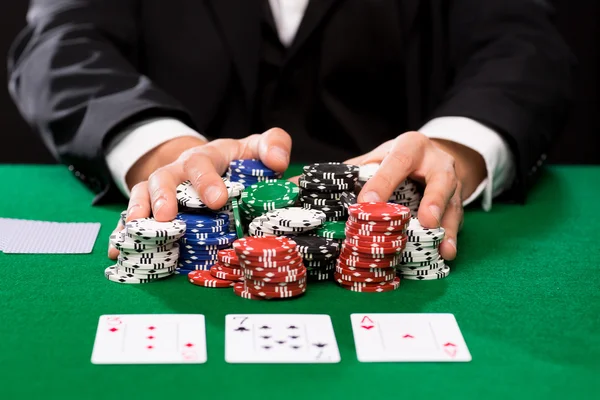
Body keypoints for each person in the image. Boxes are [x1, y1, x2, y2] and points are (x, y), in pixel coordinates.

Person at [8, 0, 574, 261]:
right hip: (191, 206)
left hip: (384, 215)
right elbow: (58, 46)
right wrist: (166, 149)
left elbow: (524, 46)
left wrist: (453, 150)